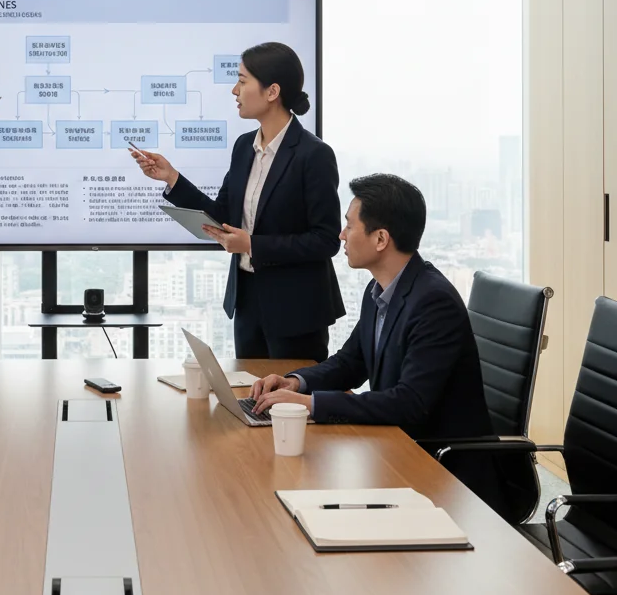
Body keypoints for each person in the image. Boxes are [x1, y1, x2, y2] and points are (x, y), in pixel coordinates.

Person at [249, 173, 503, 506]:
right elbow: (350, 362)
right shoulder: (380, 290)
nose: (341, 235)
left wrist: (311, 406)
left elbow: (409, 403)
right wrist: (295, 383)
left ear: (380, 238)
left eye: (349, 226)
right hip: (397, 449)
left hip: (445, 473)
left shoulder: (432, 302)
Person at [131, 42, 343, 361]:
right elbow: (222, 215)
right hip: (247, 302)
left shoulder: (313, 155)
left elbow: (326, 240)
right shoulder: (244, 147)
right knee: (250, 401)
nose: (234, 90)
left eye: (242, 81)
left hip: (296, 310)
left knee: (289, 406)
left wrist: (252, 245)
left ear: (272, 91)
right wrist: (172, 178)